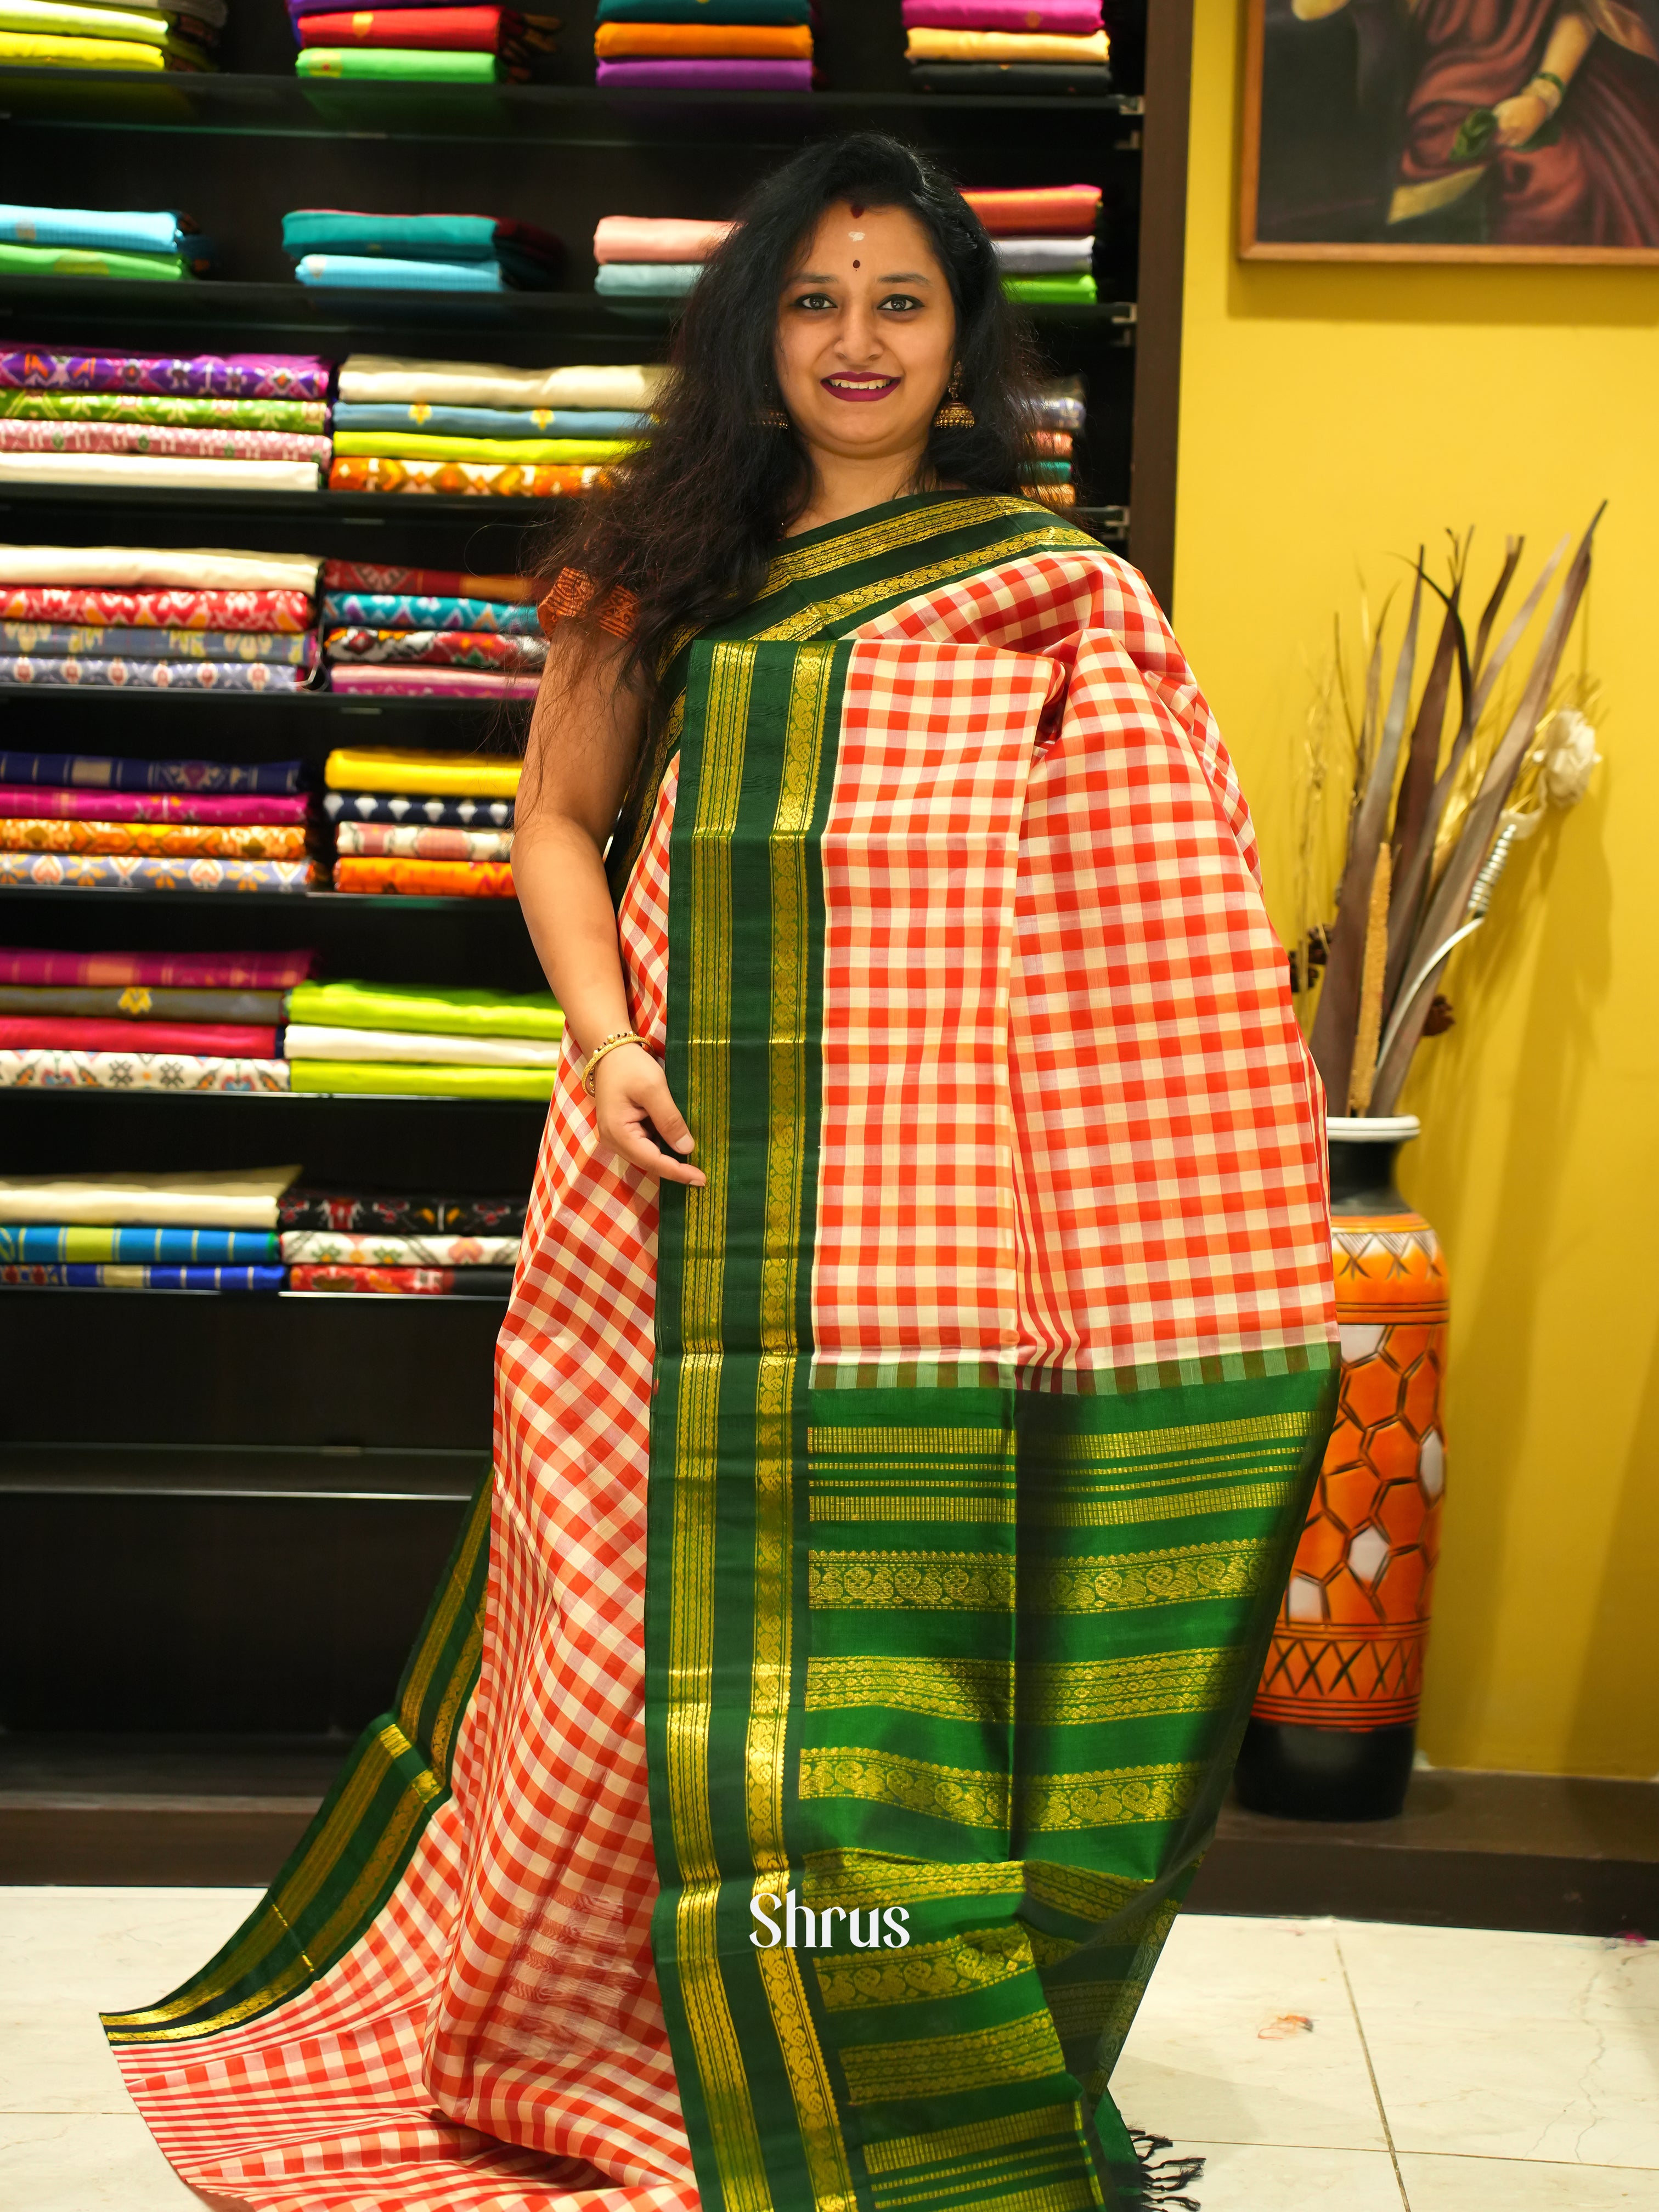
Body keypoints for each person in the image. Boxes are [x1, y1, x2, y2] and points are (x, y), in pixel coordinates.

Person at [104, 133, 1339, 2212]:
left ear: (961, 351)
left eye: (898, 302)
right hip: (663, 1208)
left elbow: (1151, 927)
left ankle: (872, 2031)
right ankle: (608, 2023)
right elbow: (554, 828)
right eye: (809, 299)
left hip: (933, 1258)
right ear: (749, 328)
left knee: (900, 1680)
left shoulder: (1050, 601)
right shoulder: (650, 565)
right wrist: (598, 1044)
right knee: (609, 1653)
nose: (851, 341)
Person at [1291, 0, 1659, 242]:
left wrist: (1542, 96)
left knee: (1567, 176)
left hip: (1551, 88)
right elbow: (1309, 9)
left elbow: (1582, 11)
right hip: (1435, 106)